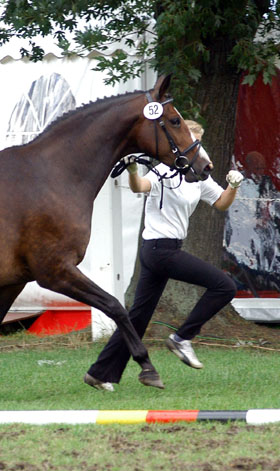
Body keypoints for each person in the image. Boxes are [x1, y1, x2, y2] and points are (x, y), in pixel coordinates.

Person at [84, 120, 244, 392]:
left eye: (198, 144)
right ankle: (182, 339)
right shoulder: (162, 171)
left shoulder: (198, 177)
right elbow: (139, 187)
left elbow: (220, 203)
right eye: (192, 143)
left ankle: (99, 373)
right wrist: (133, 172)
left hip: (165, 250)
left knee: (138, 318)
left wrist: (233, 186)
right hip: (159, 250)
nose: (196, 149)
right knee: (224, 286)